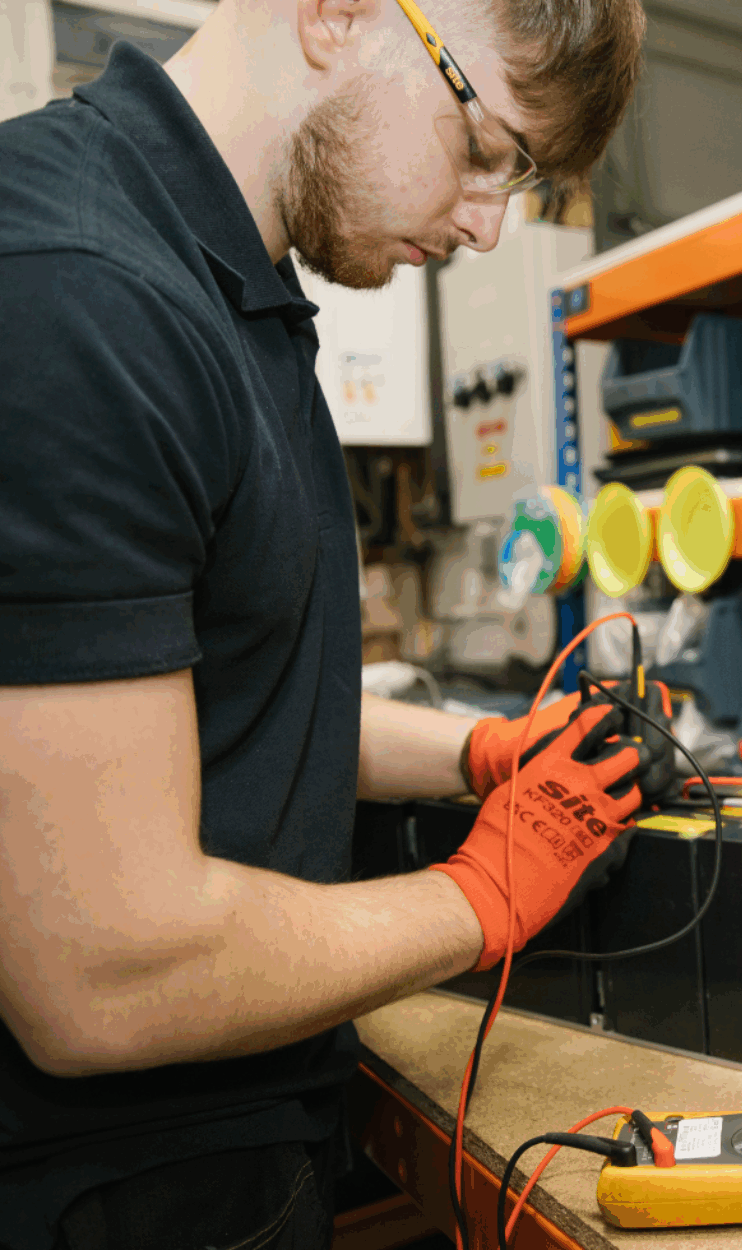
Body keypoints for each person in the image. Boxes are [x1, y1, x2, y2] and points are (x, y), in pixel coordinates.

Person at [0, 0, 653, 1245]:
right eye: (485, 149)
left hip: (236, 1140)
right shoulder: (79, 299)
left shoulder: (229, 288)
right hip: (118, 1193)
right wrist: (481, 892)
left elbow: (215, 696)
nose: (485, 223)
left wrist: (475, 753)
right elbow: (100, 975)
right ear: (340, 13)